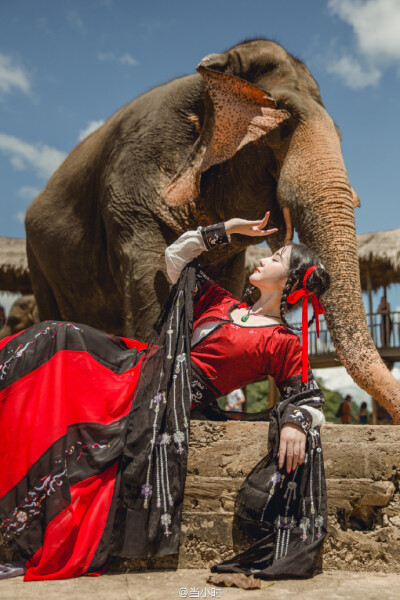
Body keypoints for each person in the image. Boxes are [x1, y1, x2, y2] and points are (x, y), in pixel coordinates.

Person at [0, 213, 330, 582]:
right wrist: (228, 229)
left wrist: (295, 423)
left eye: (277, 259)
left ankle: (28, 548)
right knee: (54, 335)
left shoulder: (282, 342)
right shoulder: (222, 303)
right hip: (137, 367)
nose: (264, 259)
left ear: (289, 281)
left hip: (162, 401)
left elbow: (306, 395)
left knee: (71, 443)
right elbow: (175, 257)